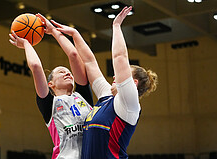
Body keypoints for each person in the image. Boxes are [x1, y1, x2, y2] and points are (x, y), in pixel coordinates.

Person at [53, 6, 158, 159]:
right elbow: (89, 62)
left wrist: (116, 26)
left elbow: (119, 57)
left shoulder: (129, 104)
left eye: (122, 74)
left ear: (133, 83)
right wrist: (74, 34)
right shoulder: (106, 96)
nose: (115, 77)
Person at [9, 13, 93, 159]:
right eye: (61, 72)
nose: (68, 74)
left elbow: (73, 54)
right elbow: (35, 66)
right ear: (51, 84)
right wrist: (27, 44)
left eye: (69, 73)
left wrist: (54, 31)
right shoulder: (49, 103)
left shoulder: (83, 96)